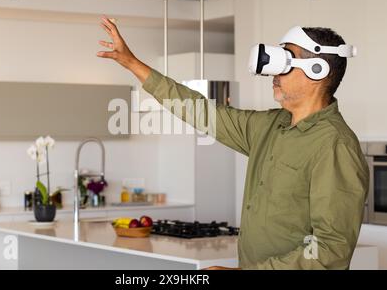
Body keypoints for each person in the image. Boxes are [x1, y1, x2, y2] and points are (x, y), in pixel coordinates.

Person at [97, 15, 369, 270]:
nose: (273, 72)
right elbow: (200, 111)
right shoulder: (270, 126)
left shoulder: (335, 145)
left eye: (287, 61)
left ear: (317, 71)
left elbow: (331, 250)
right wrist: (132, 63)